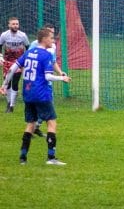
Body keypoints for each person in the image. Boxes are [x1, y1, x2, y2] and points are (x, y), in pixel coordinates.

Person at [0, 28, 71, 165]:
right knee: (51, 122)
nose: (53, 40)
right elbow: (47, 76)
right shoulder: (45, 55)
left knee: (30, 124)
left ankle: (23, 158)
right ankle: (51, 158)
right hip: (41, 93)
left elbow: (12, 69)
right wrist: (62, 78)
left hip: (28, 93)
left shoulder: (29, 52)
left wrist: (3, 85)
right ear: (44, 39)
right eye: (51, 38)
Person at [28, 24, 66, 138]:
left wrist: (60, 72)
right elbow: (28, 60)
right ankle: (31, 130)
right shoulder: (34, 45)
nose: (52, 37)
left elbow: (53, 62)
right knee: (40, 106)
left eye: (53, 34)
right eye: (50, 34)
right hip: (37, 81)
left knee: (48, 104)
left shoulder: (53, 47)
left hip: (47, 81)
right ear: (44, 35)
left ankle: (35, 128)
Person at [0, 17, 30, 113]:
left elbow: (28, 48)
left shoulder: (23, 35)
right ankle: (9, 103)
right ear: (9, 25)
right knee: (7, 83)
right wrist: (0, 57)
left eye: (17, 24)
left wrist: (25, 60)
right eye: (13, 24)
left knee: (15, 82)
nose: (15, 26)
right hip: (7, 62)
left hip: (18, 62)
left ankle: (12, 105)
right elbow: (0, 46)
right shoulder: (4, 35)